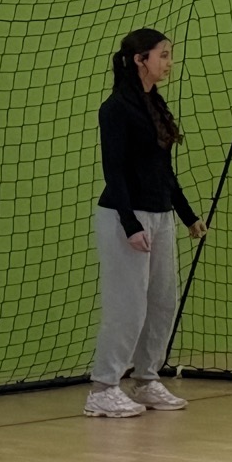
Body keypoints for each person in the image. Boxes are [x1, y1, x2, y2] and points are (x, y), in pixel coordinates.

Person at [87, 28, 208, 418]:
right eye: (163, 55)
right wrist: (130, 224)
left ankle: (146, 380)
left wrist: (187, 215)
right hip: (126, 217)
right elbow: (114, 171)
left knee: (162, 302)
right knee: (127, 306)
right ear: (141, 59)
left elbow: (162, 169)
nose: (169, 62)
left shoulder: (154, 103)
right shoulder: (115, 108)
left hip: (160, 216)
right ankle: (103, 388)